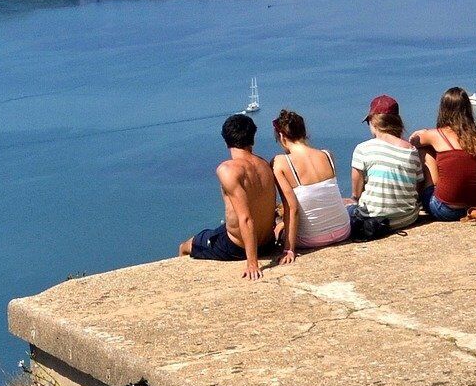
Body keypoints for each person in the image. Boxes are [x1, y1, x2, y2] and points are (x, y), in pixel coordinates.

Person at [180, 112, 278, 279]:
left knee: (184, 246)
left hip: (236, 246)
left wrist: (252, 262)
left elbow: (246, 218)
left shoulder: (228, 170)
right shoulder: (264, 163)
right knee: (214, 231)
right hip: (268, 242)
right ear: (252, 139)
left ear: (226, 141)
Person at [270, 108, 350, 258]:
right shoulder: (327, 155)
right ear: (304, 132)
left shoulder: (280, 163)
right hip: (344, 231)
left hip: (310, 239)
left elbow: (291, 208)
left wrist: (289, 249)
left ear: (281, 136)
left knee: (277, 229)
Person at [410, 87, 476, 221]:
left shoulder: (436, 135)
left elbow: (413, 141)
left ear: (444, 109)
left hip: (445, 209)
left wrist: (424, 131)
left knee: (425, 151)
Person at [348, 94, 422, 235]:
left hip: (374, 219)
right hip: (407, 218)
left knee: (347, 209)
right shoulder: (411, 150)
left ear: (373, 121)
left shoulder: (363, 149)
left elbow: (356, 194)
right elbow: (416, 188)